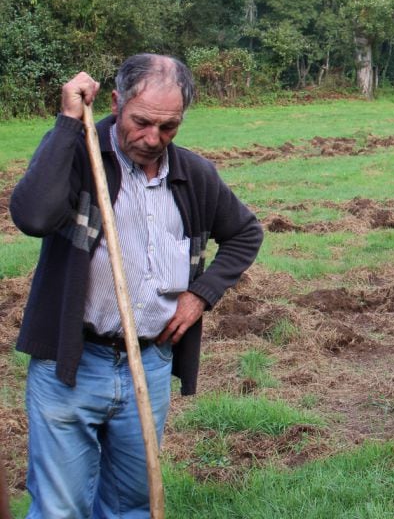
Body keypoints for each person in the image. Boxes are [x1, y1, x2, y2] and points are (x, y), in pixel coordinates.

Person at [10, 54, 264, 518]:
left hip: (146, 363)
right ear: (116, 103)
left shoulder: (193, 176)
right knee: (60, 509)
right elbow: (33, 216)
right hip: (71, 363)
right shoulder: (82, 158)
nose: (153, 139)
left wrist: (200, 295)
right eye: (141, 122)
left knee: (131, 507)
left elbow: (246, 233)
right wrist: (68, 122)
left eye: (169, 127)